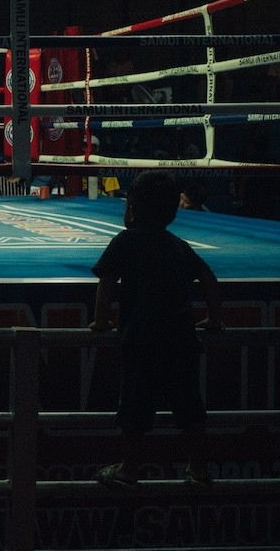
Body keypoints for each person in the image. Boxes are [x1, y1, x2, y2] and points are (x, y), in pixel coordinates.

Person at [89, 172, 224, 488]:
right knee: (190, 405)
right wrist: (215, 318)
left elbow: (107, 282)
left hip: (143, 338)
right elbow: (208, 279)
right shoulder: (177, 245)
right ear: (173, 211)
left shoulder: (125, 241)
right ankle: (199, 467)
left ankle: (129, 467)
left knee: (136, 407)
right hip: (181, 337)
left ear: (132, 205)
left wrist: (101, 320)